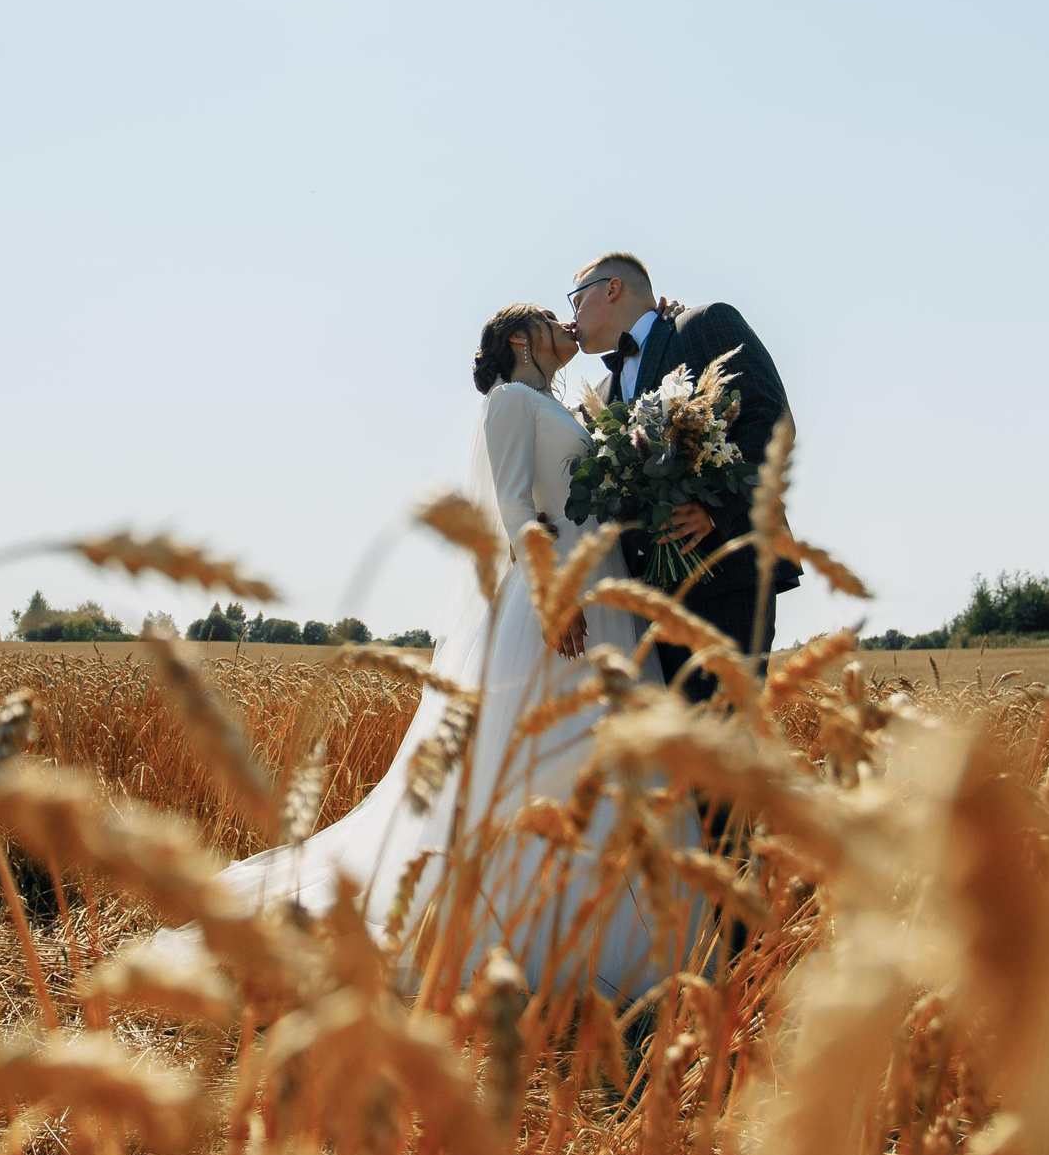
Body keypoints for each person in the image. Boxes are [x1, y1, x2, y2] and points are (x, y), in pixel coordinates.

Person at [146, 303, 685, 1000]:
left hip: (605, 591)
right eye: (551, 319)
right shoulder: (510, 401)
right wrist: (553, 593)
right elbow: (517, 505)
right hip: (557, 601)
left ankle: (625, 936)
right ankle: (524, 937)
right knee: (545, 765)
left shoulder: (562, 404)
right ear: (520, 339)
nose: (566, 326)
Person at [565, 251, 799, 684]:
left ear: (612, 288)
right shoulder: (600, 390)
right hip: (646, 601)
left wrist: (715, 511)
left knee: (724, 736)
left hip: (725, 573)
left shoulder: (705, 323)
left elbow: (769, 417)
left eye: (575, 301)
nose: (571, 318)